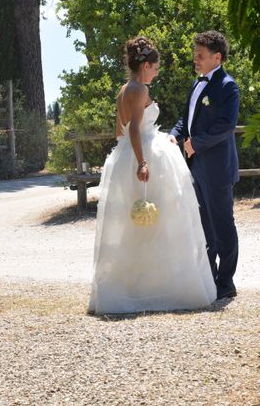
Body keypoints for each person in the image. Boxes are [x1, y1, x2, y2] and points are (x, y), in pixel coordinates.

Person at [88, 36, 217, 315]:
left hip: (125, 156)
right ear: (146, 65)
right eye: (156, 66)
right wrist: (143, 161)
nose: (158, 71)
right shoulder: (139, 90)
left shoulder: (124, 90)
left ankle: (135, 285)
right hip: (142, 155)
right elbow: (134, 129)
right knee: (161, 218)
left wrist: (128, 157)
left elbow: (118, 132)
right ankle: (160, 286)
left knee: (136, 224)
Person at [169, 31, 240, 300]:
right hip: (197, 167)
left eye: (200, 56)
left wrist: (195, 143)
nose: (195, 60)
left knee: (223, 226)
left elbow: (226, 125)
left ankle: (226, 282)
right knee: (204, 225)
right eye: (194, 54)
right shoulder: (198, 84)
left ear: (217, 57)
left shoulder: (228, 86)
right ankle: (208, 278)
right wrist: (175, 134)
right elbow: (186, 117)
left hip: (218, 168)